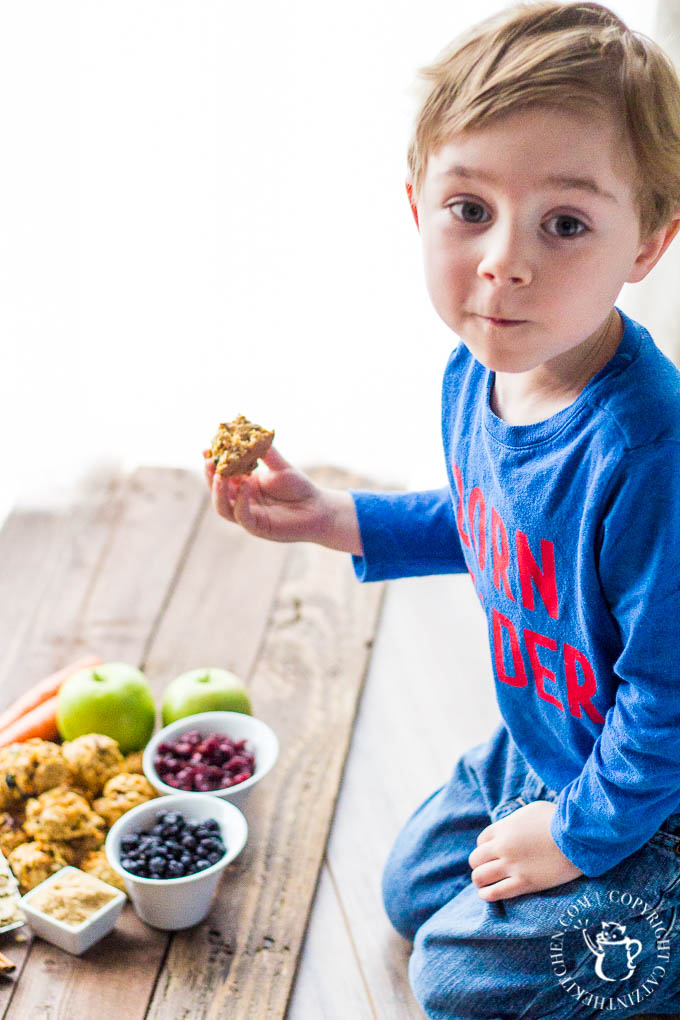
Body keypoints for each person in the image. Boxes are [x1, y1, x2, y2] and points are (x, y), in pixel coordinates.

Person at [204, 2, 680, 1016]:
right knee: (410, 886)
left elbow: (666, 698)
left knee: (451, 976)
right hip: (551, 731)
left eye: (563, 224)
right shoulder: (477, 373)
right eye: (470, 209)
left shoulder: (646, 451)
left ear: (646, 243)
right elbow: (491, 521)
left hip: (652, 772)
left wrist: (576, 835)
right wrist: (338, 517)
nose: (502, 262)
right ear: (415, 206)